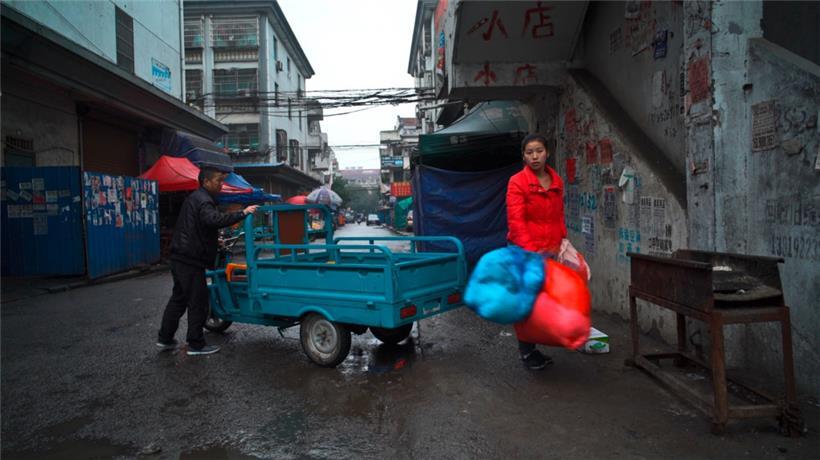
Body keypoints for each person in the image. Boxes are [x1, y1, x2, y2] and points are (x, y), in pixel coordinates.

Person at [156, 166, 258, 356]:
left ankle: (165, 338)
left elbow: (199, 227)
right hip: (190, 259)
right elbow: (213, 219)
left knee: (179, 299)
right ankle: (196, 344)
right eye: (218, 181)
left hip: (180, 256)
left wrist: (213, 239)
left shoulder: (195, 198)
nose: (220, 185)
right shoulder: (204, 200)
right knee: (198, 301)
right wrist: (242, 213)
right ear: (206, 182)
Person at [506, 133, 568, 370]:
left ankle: (538, 342)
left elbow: (558, 215)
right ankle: (527, 352)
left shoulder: (556, 181)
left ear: (547, 153)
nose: (535, 156)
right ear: (523, 156)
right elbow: (516, 222)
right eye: (529, 152)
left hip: (551, 249)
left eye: (539, 151)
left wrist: (564, 241)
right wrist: (532, 253)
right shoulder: (517, 182)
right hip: (524, 252)